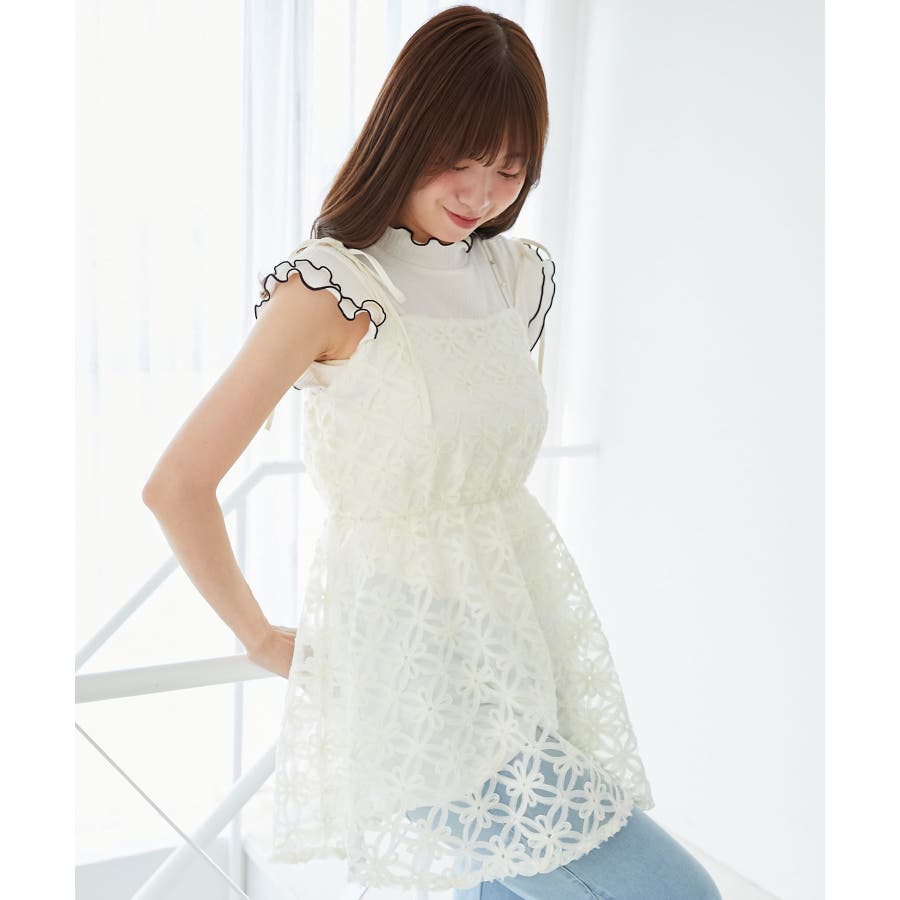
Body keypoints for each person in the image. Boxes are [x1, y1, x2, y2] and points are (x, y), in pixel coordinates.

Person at [143, 5, 721, 899]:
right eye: (463, 157)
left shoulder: (512, 276)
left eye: (510, 168)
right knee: (676, 890)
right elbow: (178, 483)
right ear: (408, 130)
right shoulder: (335, 286)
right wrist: (258, 635)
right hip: (412, 678)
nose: (481, 193)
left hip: (517, 654)